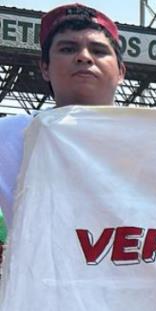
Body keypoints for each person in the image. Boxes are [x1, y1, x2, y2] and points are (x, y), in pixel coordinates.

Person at [0, 3, 125, 229]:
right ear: (44, 68)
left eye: (99, 51)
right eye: (68, 49)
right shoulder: (8, 136)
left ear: (121, 72)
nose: (84, 57)